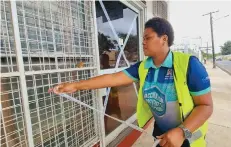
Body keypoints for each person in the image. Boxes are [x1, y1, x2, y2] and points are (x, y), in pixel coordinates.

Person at [49, 17, 213, 147]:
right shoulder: (144, 67)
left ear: (164, 39)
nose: (143, 42)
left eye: (147, 38)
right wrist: (75, 86)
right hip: (161, 135)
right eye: (143, 38)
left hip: (188, 138)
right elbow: (113, 79)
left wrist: (181, 132)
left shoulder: (189, 65)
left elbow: (206, 106)